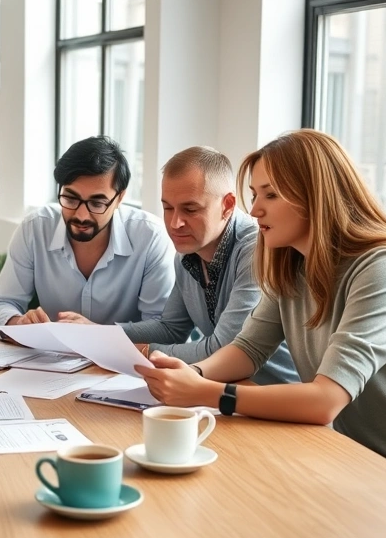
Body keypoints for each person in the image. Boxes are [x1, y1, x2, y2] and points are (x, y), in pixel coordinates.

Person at [135, 129, 386, 510]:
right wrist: (194, 375)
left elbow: (325, 401)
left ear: (314, 196)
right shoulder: (290, 263)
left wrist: (205, 392)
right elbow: (247, 350)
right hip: (369, 454)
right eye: (254, 195)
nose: (257, 209)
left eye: (271, 194)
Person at [120, 146, 297, 385]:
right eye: (168, 208)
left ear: (227, 205)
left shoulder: (258, 248)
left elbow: (223, 349)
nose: (175, 223)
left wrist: (142, 352)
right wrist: (103, 336)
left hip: (276, 397)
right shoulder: (186, 254)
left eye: (190, 209)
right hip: (228, 391)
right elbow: (171, 329)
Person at [0, 135, 175, 335]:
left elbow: (161, 327)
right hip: (51, 360)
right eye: (70, 198)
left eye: (97, 203)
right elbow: (3, 303)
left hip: (123, 363)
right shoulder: (35, 229)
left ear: (119, 198)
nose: (81, 215)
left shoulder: (150, 237)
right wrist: (18, 323)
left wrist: (96, 334)